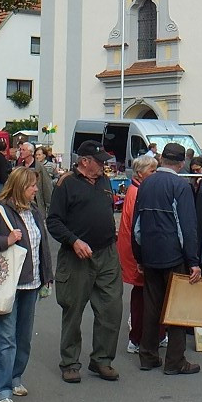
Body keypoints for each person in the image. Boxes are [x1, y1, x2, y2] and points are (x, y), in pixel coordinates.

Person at [0, 166, 53, 402]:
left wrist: (46, 276)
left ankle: (16, 377)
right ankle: (3, 391)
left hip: (31, 284)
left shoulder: (34, 212)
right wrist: (5, 240)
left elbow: (42, 246)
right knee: (7, 339)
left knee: (24, 338)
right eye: (32, 186)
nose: (36, 190)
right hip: (7, 285)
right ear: (20, 187)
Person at [46, 140, 123, 383]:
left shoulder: (103, 180)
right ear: (84, 161)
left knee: (111, 308)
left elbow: (108, 209)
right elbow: (54, 222)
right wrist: (74, 241)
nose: (103, 165)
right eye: (99, 161)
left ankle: (102, 360)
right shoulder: (66, 183)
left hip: (107, 253)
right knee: (73, 308)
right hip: (77, 255)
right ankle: (69, 362)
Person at [132, 142, 201, 375]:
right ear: (181, 163)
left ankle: (148, 356)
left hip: (150, 253)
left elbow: (137, 226)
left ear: (161, 160)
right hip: (173, 255)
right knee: (177, 307)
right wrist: (193, 261)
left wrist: (139, 256)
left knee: (152, 306)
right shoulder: (180, 186)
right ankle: (175, 360)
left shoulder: (146, 183)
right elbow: (187, 227)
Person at [117, 154, 159, 353]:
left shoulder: (135, 189)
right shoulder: (137, 193)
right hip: (136, 252)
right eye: (152, 171)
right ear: (141, 174)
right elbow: (138, 228)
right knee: (142, 294)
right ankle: (137, 337)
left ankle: (146, 334)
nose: (155, 174)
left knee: (143, 293)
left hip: (132, 250)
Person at [33, 147, 54, 218]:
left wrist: (51, 182)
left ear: (44, 155)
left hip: (47, 189)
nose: (37, 156)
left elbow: (56, 177)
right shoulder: (35, 166)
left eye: (39, 154)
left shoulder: (51, 165)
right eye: (36, 155)